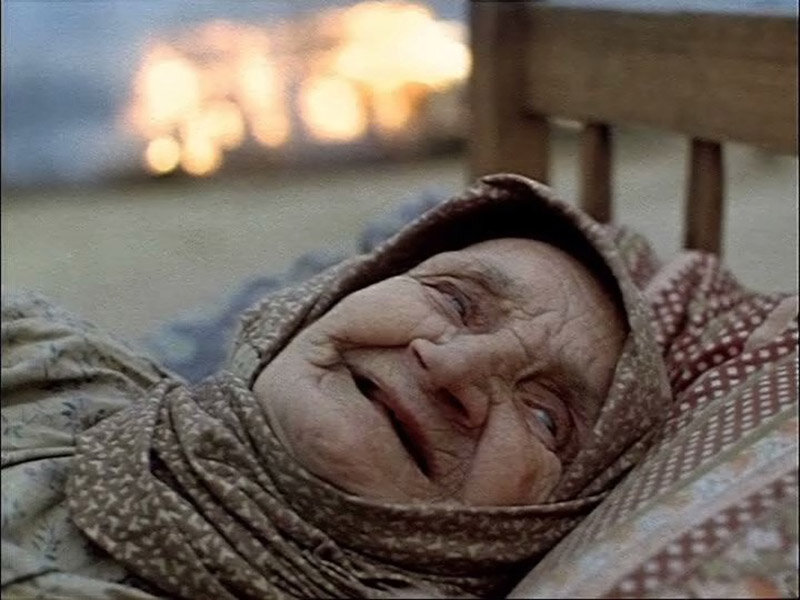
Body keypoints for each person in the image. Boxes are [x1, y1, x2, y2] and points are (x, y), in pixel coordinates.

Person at [2, 174, 670, 599]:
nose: (454, 369)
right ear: (320, 302)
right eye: (456, 300)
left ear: (541, 523)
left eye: (546, 416)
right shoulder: (42, 354)